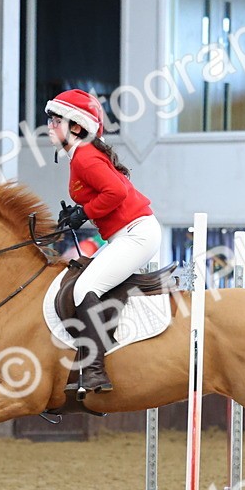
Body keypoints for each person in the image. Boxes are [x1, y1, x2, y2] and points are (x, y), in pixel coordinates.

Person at [45, 88, 162, 396]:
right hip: (128, 233)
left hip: (137, 233)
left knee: (85, 288)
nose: (49, 126)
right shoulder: (79, 155)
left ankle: (95, 371)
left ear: (76, 127)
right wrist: (77, 213)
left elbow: (118, 193)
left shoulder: (83, 155)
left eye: (55, 120)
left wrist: (84, 212)